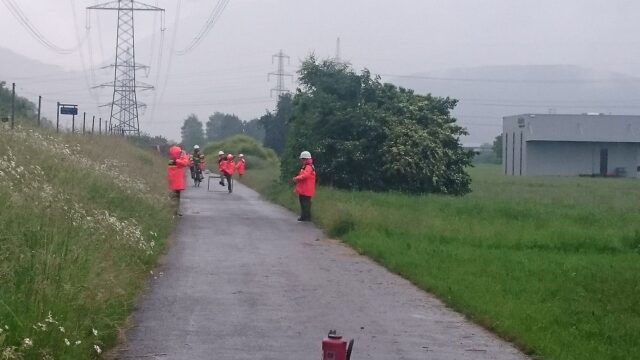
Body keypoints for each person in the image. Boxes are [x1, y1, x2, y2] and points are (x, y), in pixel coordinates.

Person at [293, 150, 316, 221]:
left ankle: (306, 217)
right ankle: (304, 216)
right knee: (303, 202)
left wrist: (296, 178)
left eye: (302, 159)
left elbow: (305, 175)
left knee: (305, 203)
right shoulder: (306, 166)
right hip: (304, 188)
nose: (302, 160)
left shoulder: (308, 167)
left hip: (307, 188)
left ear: (306, 159)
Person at [167, 145, 190, 216]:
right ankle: (174, 213)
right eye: (179, 153)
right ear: (175, 153)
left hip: (173, 182)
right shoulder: (176, 161)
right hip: (176, 183)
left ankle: (175, 212)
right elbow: (185, 163)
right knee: (175, 198)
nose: (180, 154)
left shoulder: (171, 161)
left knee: (175, 197)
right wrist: (184, 155)